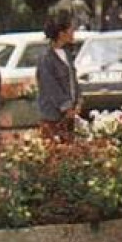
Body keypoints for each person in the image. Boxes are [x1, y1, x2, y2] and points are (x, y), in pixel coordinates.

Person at [36, 9, 82, 142]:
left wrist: (78, 99)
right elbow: (51, 87)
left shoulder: (67, 53)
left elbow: (73, 79)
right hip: (53, 117)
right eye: (71, 29)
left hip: (69, 117)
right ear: (61, 33)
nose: (74, 32)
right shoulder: (46, 58)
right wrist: (66, 107)